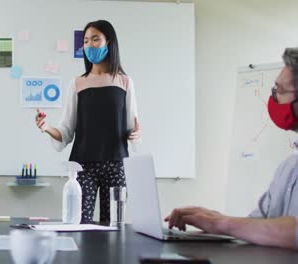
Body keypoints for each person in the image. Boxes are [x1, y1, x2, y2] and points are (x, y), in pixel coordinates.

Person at [165, 47, 298, 249]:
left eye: (280, 91)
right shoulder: (288, 167)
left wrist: (222, 224)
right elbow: (259, 224)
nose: (274, 99)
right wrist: (214, 218)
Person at [35, 20, 141, 223]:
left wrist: (136, 133)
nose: (89, 45)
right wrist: (46, 127)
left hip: (116, 163)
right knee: (79, 223)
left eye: (95, 39)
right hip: (83, 166)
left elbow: (131, 125)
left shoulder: (124, 81)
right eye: (85, 41)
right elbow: (66, 131)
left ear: (108, 42)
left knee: (113, 226)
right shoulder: (77, 84)